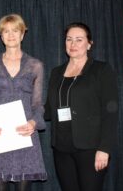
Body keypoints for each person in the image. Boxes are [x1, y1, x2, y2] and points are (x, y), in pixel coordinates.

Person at [44, 22, 118, 191]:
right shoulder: (56, 72)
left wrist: (104, 149)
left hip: (91, 148)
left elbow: (111, 112)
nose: (73, 44)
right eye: (69, 39)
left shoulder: (101, 70)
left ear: (89, 44)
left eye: (79, 39)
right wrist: (24, 114)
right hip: (61, 149)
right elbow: (48, 110)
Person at [0, 14, 47, 191]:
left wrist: (34, 123)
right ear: (1, 36)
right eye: (6, 31)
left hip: (25, 134)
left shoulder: (35, 65)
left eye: (15, 30)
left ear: (22, 34)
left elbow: (38, 104)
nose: (11, 35)